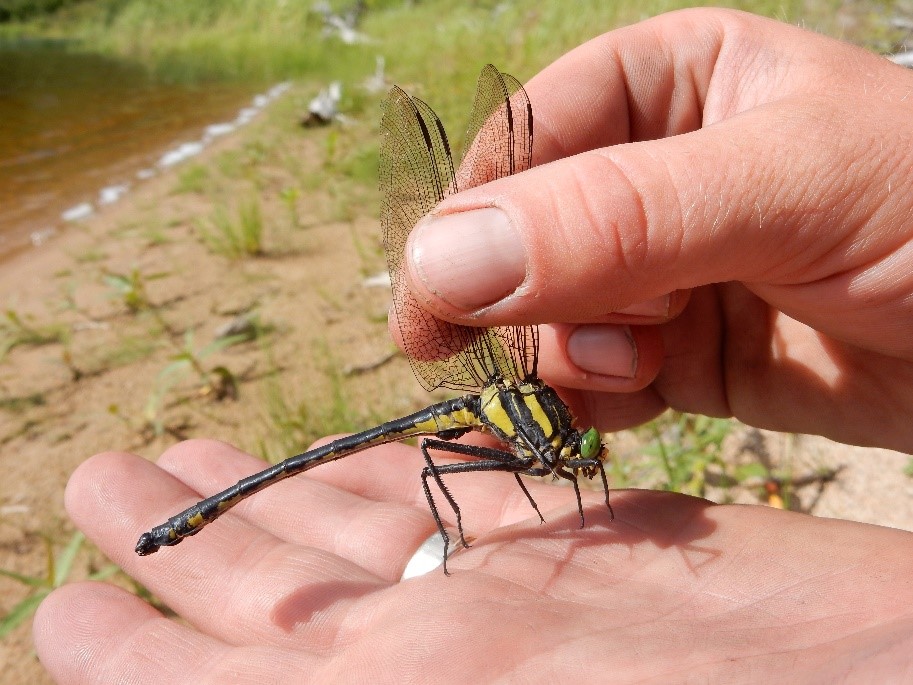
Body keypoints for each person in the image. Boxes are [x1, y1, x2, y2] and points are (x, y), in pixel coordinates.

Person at [34, 8, 913, 682]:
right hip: (476, 410)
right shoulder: (534, 407)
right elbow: (435, 466)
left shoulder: (562, 427)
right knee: (430, 461)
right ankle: (191, 522)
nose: (583, 451)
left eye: (579, 448)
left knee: (437, 459)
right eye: (575, 447)